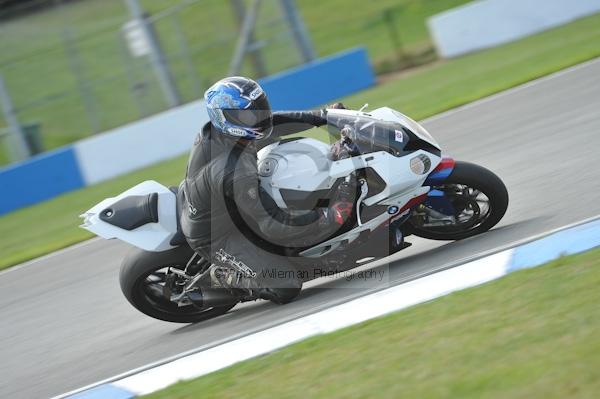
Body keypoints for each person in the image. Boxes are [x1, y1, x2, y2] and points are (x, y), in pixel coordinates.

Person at [180, 76, 351, 307]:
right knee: (285, 286)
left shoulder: (230, 131)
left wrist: (324, 117)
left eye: (259, 109)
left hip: (224, 202)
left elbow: (278, 121)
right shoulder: (234, 171)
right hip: (219, 234)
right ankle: (221, 276)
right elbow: (272, 224)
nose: (258, 118)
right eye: (249, 115)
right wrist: (327, 217)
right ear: (225, 118)